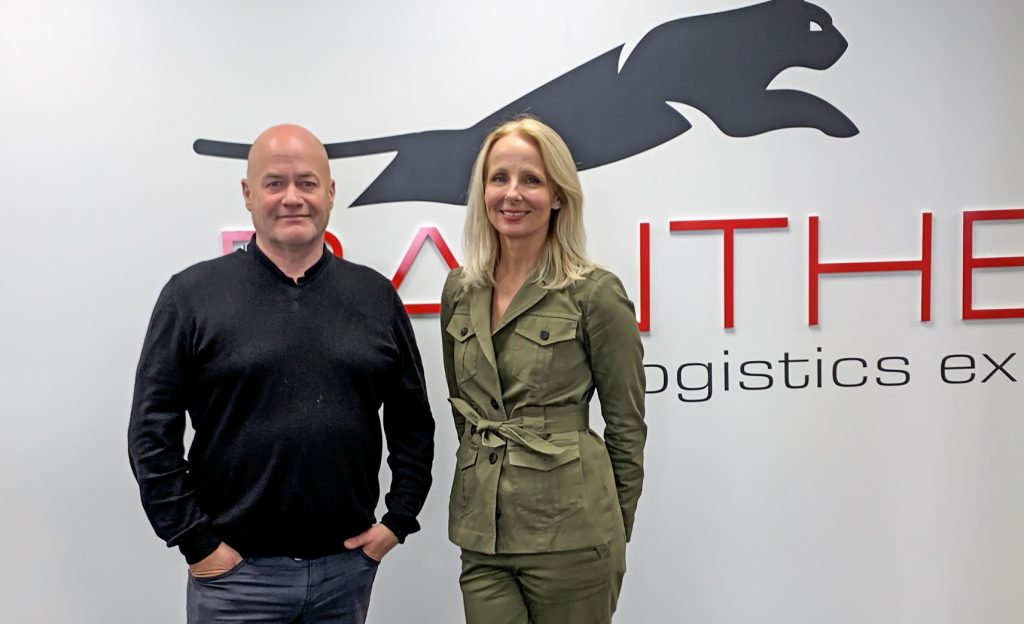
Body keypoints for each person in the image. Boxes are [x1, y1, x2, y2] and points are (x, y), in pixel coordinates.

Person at [128, 124, 434, 624]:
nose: (292, 198)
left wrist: (398, 519)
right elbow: (150, 432)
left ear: (330, 193)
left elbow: (412, 421)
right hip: (235, 579)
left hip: (344, 574)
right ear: (248, 195)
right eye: (274, 183)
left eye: (307, 183)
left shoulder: (375, 296)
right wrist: (195, 542)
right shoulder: (191, 296)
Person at [440, 116, 646, 624]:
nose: (512, 193)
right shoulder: (460, 289)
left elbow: (626, 425)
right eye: (499, 178)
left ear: (557, 195)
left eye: (531, 179)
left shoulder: (595, 293)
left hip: (573, 534)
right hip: (483, 534)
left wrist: (613, 525)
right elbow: (467, 413)